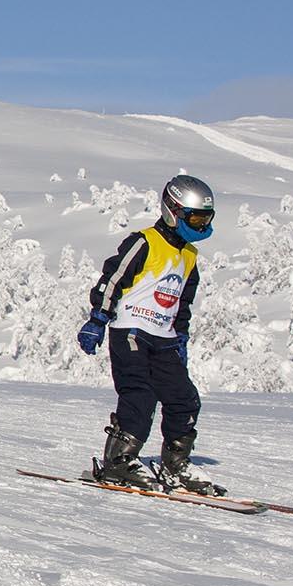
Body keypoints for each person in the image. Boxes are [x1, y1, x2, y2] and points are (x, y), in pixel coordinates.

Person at [77, 175, 221, 495]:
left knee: (184, 399)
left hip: (164, 338)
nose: (199, 226)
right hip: (131, 330)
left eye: (205, 219)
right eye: (194, 218)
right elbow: (112, 278)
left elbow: (183, 302)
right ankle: (119, 462)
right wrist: (98, 317)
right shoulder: (144, 242)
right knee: (139, 394)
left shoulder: (190, 256)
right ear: (172, 210)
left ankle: (175, 465)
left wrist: (180, 337)